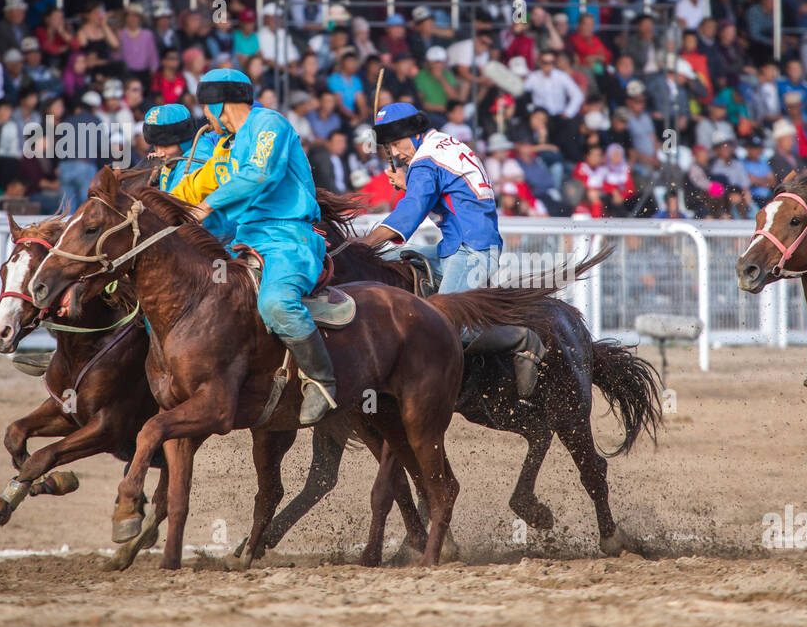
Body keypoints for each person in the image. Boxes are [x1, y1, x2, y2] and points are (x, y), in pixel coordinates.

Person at [352, 102, 547, 400]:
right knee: (386, 262)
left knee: (447, 327)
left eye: (396, 143)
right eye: (389, 146)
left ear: (415, 134)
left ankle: (522, 339)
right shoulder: (444, 145)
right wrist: (410, 182)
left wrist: (362, 245)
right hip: (455, 246)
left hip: (473, 249)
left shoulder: (425, 162)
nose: (394, 154)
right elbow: (449, 188)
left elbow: (408, 216)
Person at [184, 69, 336, 426]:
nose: (205, 116)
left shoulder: (270, 123)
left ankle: (322, 381)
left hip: (288, 239)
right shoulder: (232, 144)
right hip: (244, 238)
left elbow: (260, 173)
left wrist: (205, 206)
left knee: (276, 303)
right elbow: (232, 206)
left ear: (219, 103)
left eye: (206, 107)